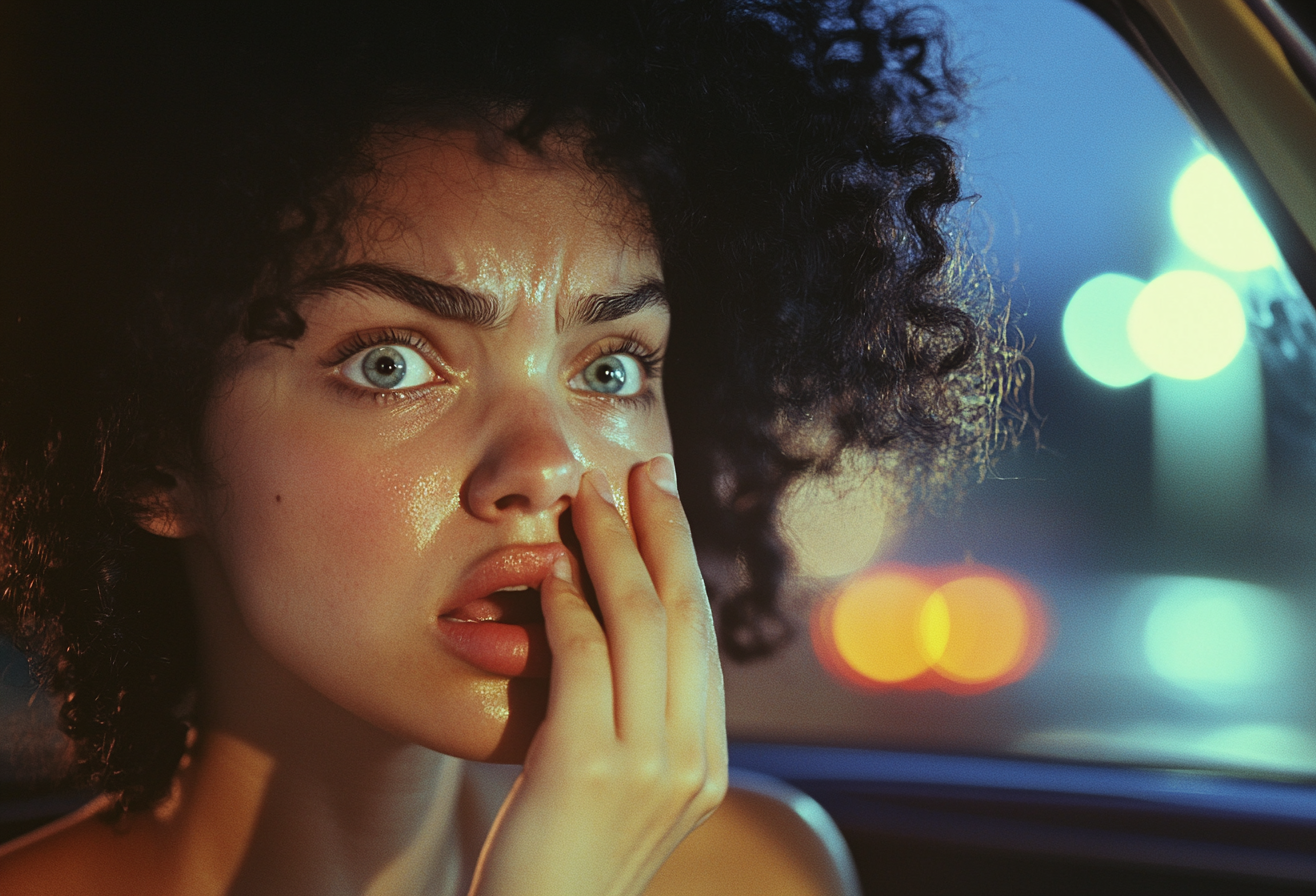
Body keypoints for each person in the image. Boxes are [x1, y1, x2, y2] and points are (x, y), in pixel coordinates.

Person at [0, 1, 1001, 892]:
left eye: (610, 367)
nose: (548, 461)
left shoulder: (755, 872)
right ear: (145, 450)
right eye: (390, 362)